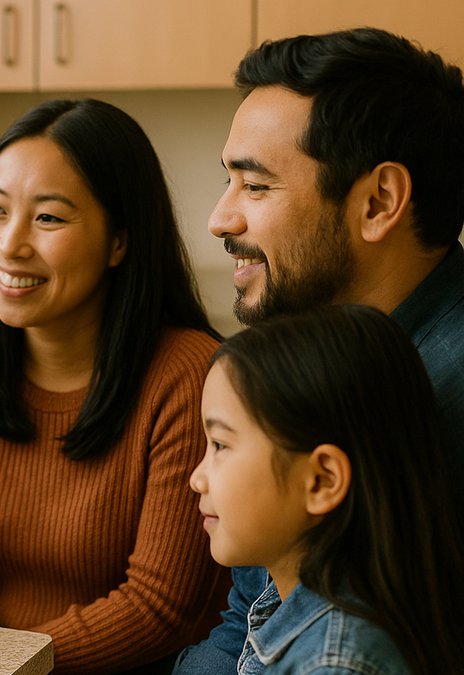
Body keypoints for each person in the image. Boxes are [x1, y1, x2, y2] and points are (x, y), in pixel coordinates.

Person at [0, 98, 231, 673]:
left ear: (119, 242)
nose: (9, 244)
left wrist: (11, 666)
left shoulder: (190, 376)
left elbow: (160, 605)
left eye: (48, 218)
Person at [174, 27, 464, 672]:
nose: (220, 219)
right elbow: (249, 620)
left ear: (379, 201)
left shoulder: (445, 398)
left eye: (255, 186)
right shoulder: (308, 362)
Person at [189, 305, 464, 673]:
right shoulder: (297, 609)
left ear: (322, 481)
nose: (196, 478)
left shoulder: (337, 663)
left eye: (219, 445)